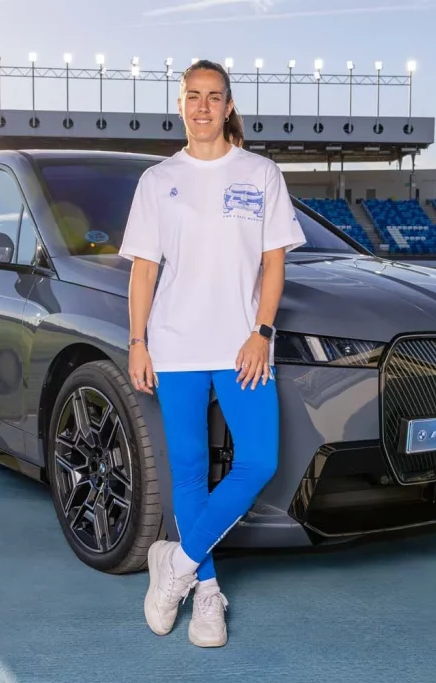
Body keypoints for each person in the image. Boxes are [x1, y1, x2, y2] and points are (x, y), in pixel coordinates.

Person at [117, 59, 306, 647]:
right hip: (173, 346)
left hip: (242, 346)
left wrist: (263, 331)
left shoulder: (261, 173)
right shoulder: (157, 181)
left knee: (258, 461)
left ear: (229, 106)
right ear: (180, 105)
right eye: (192, 96)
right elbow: (144, 271)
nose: (202, 106)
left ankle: (174, 564)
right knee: (192, 470)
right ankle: (206, 594)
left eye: (213, 96)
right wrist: (138, 342)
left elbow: (274, 262)